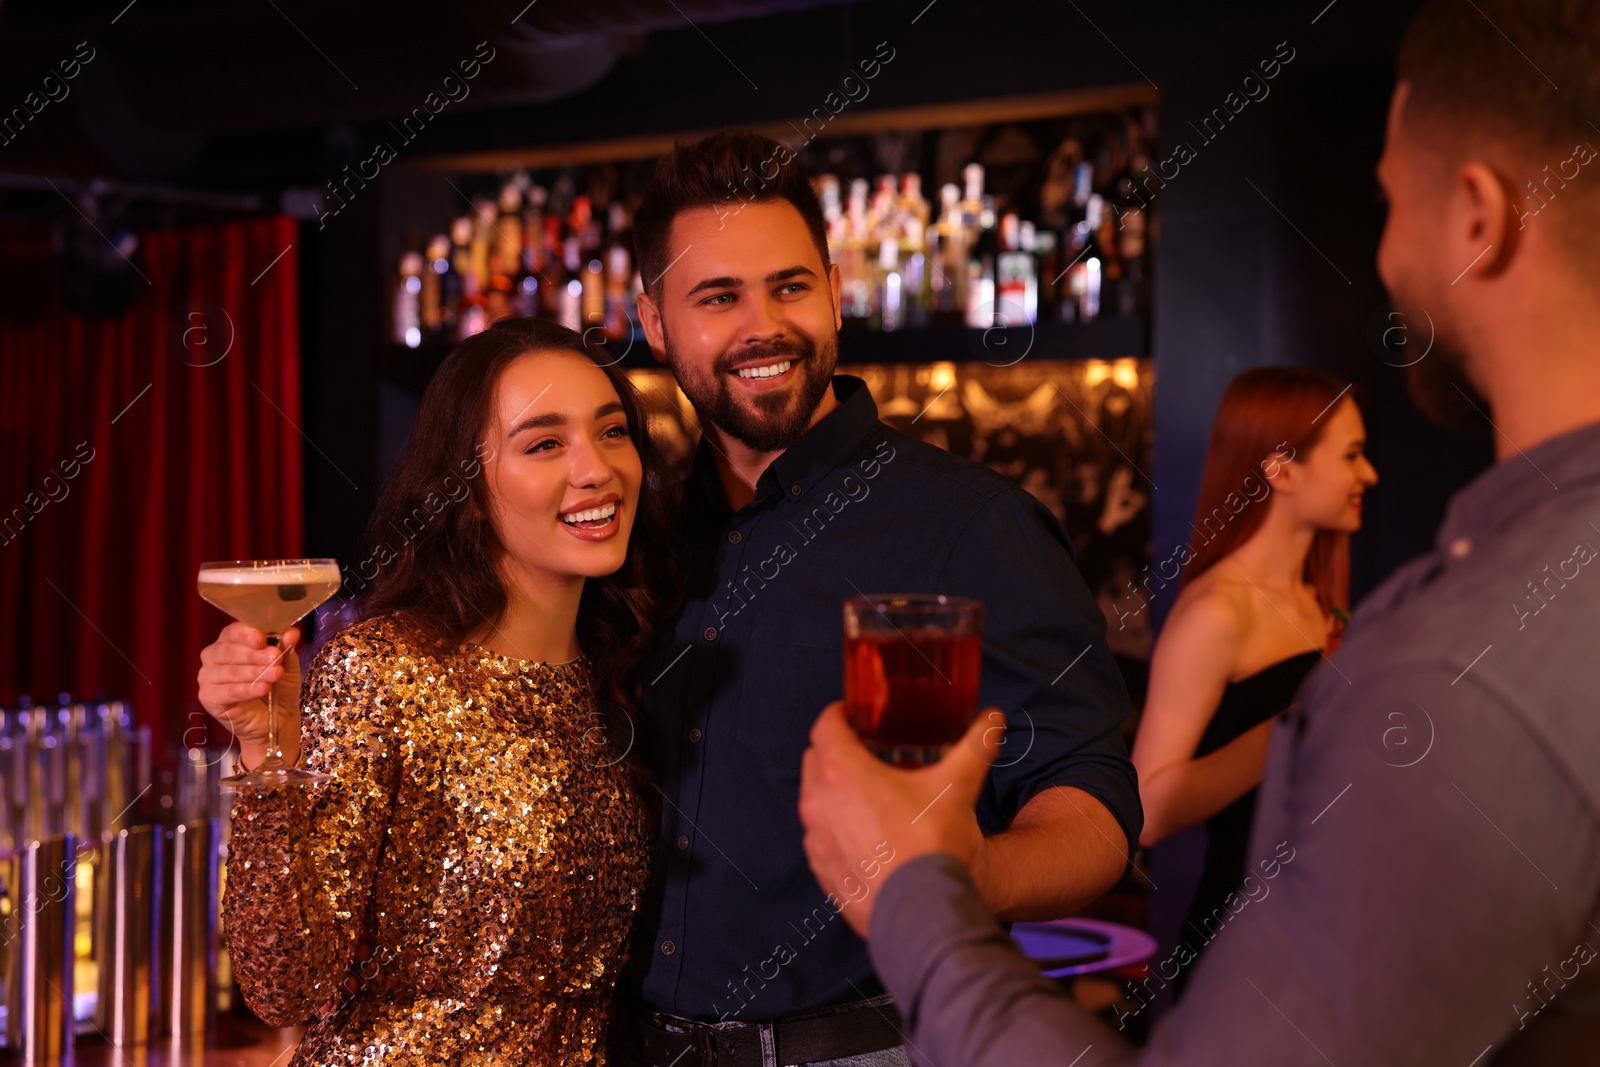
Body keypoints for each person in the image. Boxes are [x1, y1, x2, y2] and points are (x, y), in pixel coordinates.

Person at [203, 131, 1143, 1067]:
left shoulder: (969, 526)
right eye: (718, 296)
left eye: (790, 285)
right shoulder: (635, 548)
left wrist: (966, 872)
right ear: (655, 321)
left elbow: (1096, 813)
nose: (762, 326)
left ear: (834, 292)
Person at [797, 0, 1600, 1062]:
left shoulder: (1460, 668)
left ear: (1477, 216)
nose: (1387, 249)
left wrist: (910, 892)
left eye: (1389, 199)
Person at [210, 318, 680, 1065]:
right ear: (470, 491)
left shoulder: (617, 674)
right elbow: (284, 986)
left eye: (612, 430)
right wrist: (269, 752)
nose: (595, 469)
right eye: (545, 443)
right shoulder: (384, 669)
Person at [1131, 367, 1376, 993]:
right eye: (1351, 456)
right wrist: (1292, 730)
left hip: (1321, 934)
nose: (1367, 475)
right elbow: (1145, 812)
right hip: (1241, 945)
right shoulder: (1218, 612)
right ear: (1281, 470)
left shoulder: (1319, 597)